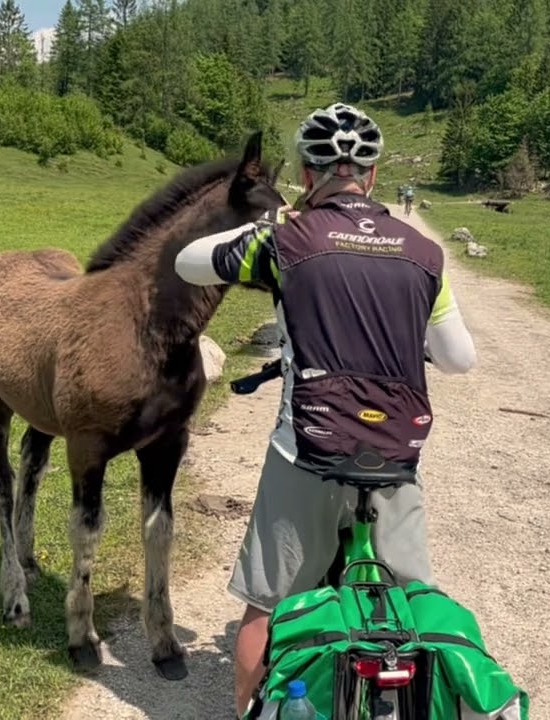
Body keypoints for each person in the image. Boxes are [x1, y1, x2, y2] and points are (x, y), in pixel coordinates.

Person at [172, 102, 477, 718]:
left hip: (305, 451)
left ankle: (246, 708)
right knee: (411, 603)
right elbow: (459, 360)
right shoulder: (423, 254)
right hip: (394, 455)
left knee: (267, 603)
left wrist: (270, 225)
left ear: (308, 177)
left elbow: (187, 261)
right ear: (370, 174)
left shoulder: (284, 240)